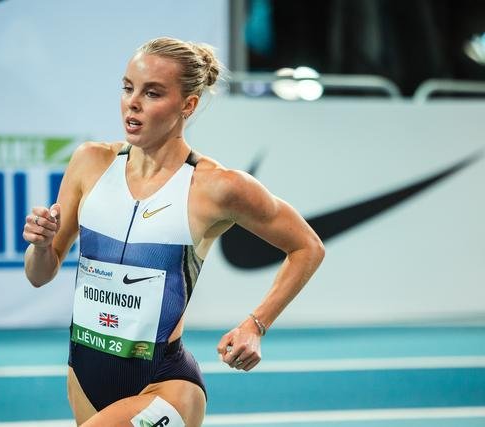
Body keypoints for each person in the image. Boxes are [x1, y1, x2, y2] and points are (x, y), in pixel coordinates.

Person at [23, 37, 324, 427]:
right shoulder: (90, 162)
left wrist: (256, 324)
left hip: (164, 384)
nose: (133, 103)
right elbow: (39, 275)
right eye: (128, 88)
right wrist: (42, 245)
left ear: (188, 105)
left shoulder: (216, 186)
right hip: (84, 371)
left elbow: (307, 247)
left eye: (152, 93)